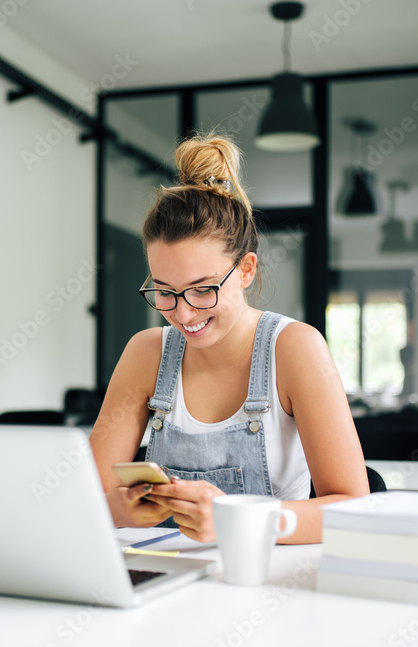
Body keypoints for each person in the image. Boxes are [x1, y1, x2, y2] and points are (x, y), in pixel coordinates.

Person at [89, 133, 370, 545]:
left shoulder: (295, 349)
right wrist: (117, 508)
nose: (183, 314)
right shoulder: (146, 352)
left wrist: (238, 523)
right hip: (167, 577)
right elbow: (87, 497)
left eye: (203, 289)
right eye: (165, 291)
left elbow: (354, 509)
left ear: (245, 270)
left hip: (265, 579)